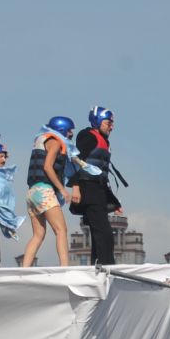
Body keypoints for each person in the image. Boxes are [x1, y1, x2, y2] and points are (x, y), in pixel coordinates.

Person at [20, 116, 78, 267]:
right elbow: (47, 167)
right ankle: (65, 268)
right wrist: (62, 189)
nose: (71, 134)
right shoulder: (56, 142)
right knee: (61, 230)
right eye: (70, 131)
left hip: (32, 193)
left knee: (38, 234)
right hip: (44, 190)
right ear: (62, 130)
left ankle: (24, 269)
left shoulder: (41, 140)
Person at [73, 106, 122, 266]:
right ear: (98, 121)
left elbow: (101, 173)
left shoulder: (103, 141)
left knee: (99, 232)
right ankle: (107, 266)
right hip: (88, 189)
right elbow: (76, 161)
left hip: (99, 190)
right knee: (104, 233)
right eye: (108, 123)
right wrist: (75, 187)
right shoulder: (88, 136)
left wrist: (113, 201)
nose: (112, 126)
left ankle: (98, 264)